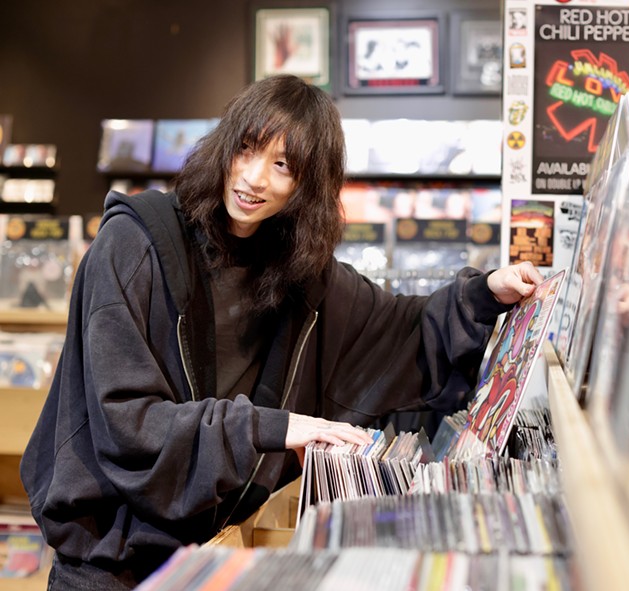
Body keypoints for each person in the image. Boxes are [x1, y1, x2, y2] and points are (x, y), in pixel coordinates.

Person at [20, 74, 543, 590]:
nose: (253, 178)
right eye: (246, 150)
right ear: (224, 145)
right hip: (107, 559)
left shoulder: (299, 274)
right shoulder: (133, 244)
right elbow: (127, 422)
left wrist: (485, 293)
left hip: (209, 552)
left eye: (282, 166)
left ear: (307, 186)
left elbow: (399, 329)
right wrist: (274, 428)